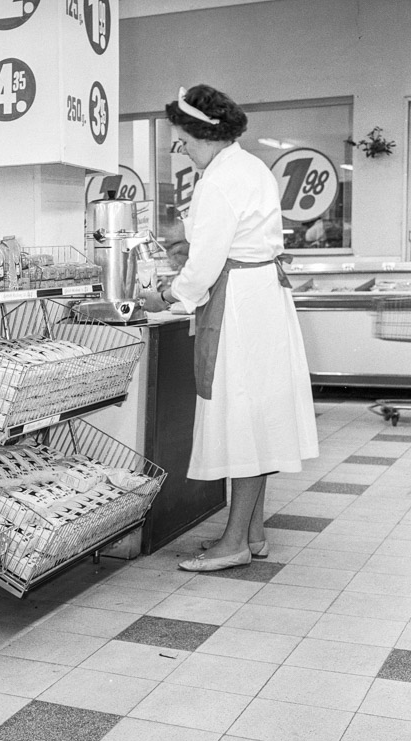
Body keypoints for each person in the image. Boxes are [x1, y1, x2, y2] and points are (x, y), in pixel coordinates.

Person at [140, 84, 319, 572]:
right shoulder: (249, 166)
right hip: (261, 299)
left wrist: (167, 295)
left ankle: (234, 541)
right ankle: (253, 532)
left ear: (203, 134)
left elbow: (203, 267)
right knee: (258, 418)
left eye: (182, 140)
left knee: (242, 421)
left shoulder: (218, 181)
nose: (181, 148)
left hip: (239, 307)